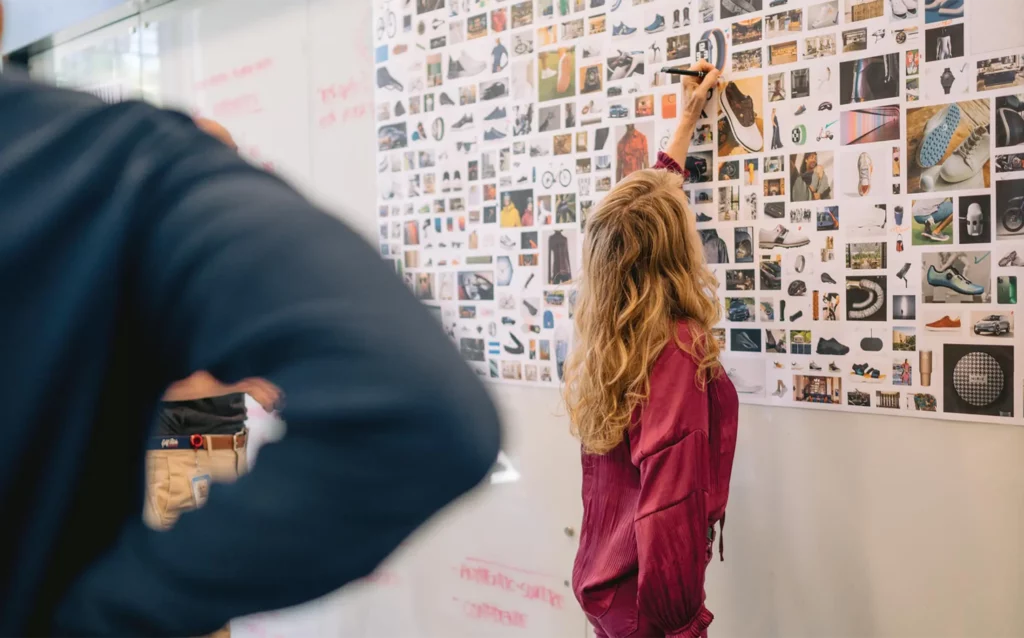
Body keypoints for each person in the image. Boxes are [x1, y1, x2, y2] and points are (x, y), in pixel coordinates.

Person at [0, 6, 502, 633]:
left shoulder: (154, 174)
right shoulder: (145, 164)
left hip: (204, 416)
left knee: (197, 582)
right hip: (182, 416)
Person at [565, 60, 739, 638]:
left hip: (607, 583)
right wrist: (683, 625)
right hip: (649, 608)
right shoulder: (678, 348)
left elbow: (635, 216)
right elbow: (670, 507)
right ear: (673, 251)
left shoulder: (610, 328)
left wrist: (685, 122)